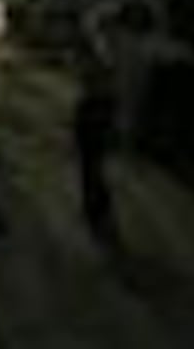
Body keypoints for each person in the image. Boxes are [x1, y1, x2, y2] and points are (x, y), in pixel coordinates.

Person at [74, 58, 123, 247]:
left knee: (93, 177)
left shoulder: (98, 104)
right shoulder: (96, 103)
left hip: (93, 144)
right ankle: (96, 212)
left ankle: (98, 213)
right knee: (91, 176)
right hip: (90, 144)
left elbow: (91, 126)